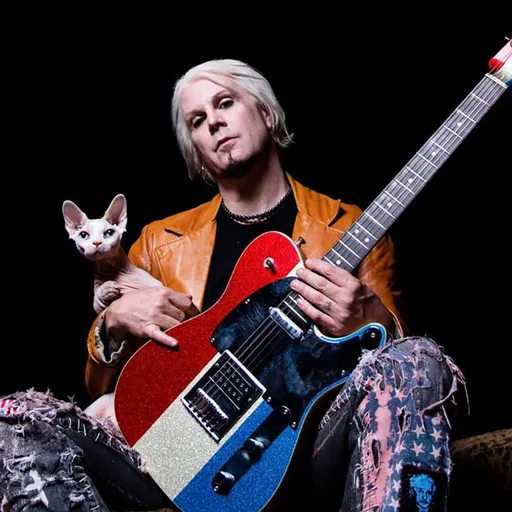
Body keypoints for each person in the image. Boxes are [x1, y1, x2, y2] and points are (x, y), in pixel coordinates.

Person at [0, 58, 466, 511]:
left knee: (418, 360)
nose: (214, 122)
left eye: (225, 103)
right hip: (171, 456)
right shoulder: (160, 243)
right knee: (17, 419)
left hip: (304, 449)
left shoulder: (351, 229)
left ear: (266, 112)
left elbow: (399, 369)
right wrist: (112, 324)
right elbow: (103, 389)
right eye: (197, 120)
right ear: (196, 149)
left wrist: (371, 317)